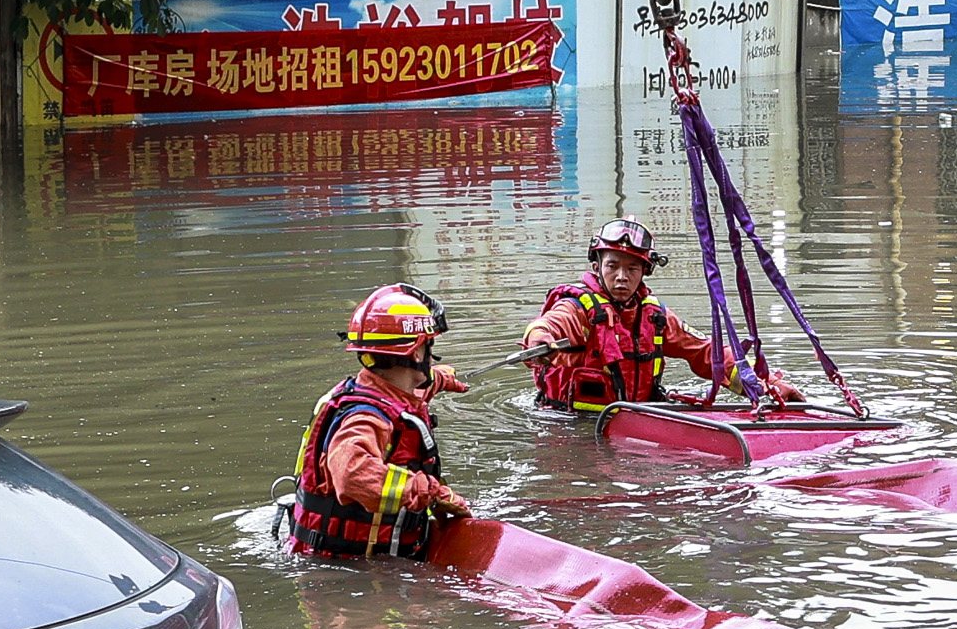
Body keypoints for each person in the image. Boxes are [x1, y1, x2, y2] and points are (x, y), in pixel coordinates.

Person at [523, 217, 796, 411]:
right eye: (612, 266)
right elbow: (551, 324)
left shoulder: (655, 317)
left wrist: (764, 384)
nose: (621, 277)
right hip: (570, 427)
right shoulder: (577, 307)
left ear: (645, 272)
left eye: (632, 269)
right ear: (597, 267)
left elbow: (706, 353)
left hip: (637, 422)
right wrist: (539, 340)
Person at [289, 287, 476, 559]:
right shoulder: (366, 417)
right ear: (416, 353)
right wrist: (432, 493)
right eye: (428, 344)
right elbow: (352, 473)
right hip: (350, 575)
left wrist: (438, 379)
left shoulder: (367, 390)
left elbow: (402, 398)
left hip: (330, 558)